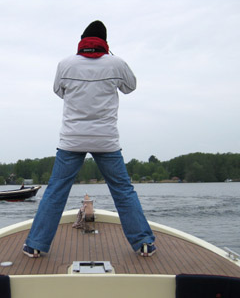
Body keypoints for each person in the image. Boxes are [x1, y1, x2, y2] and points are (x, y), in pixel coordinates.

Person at [23, 20, 156, 258]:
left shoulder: (65, 64)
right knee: (123, 191)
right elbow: (130, 87)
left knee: (55, 191)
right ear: (105, 42)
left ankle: (35, 245)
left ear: (82, 40)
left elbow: (59, 92)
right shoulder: (116, 64)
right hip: (106, 140)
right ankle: (144, 243)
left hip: (72, 139)